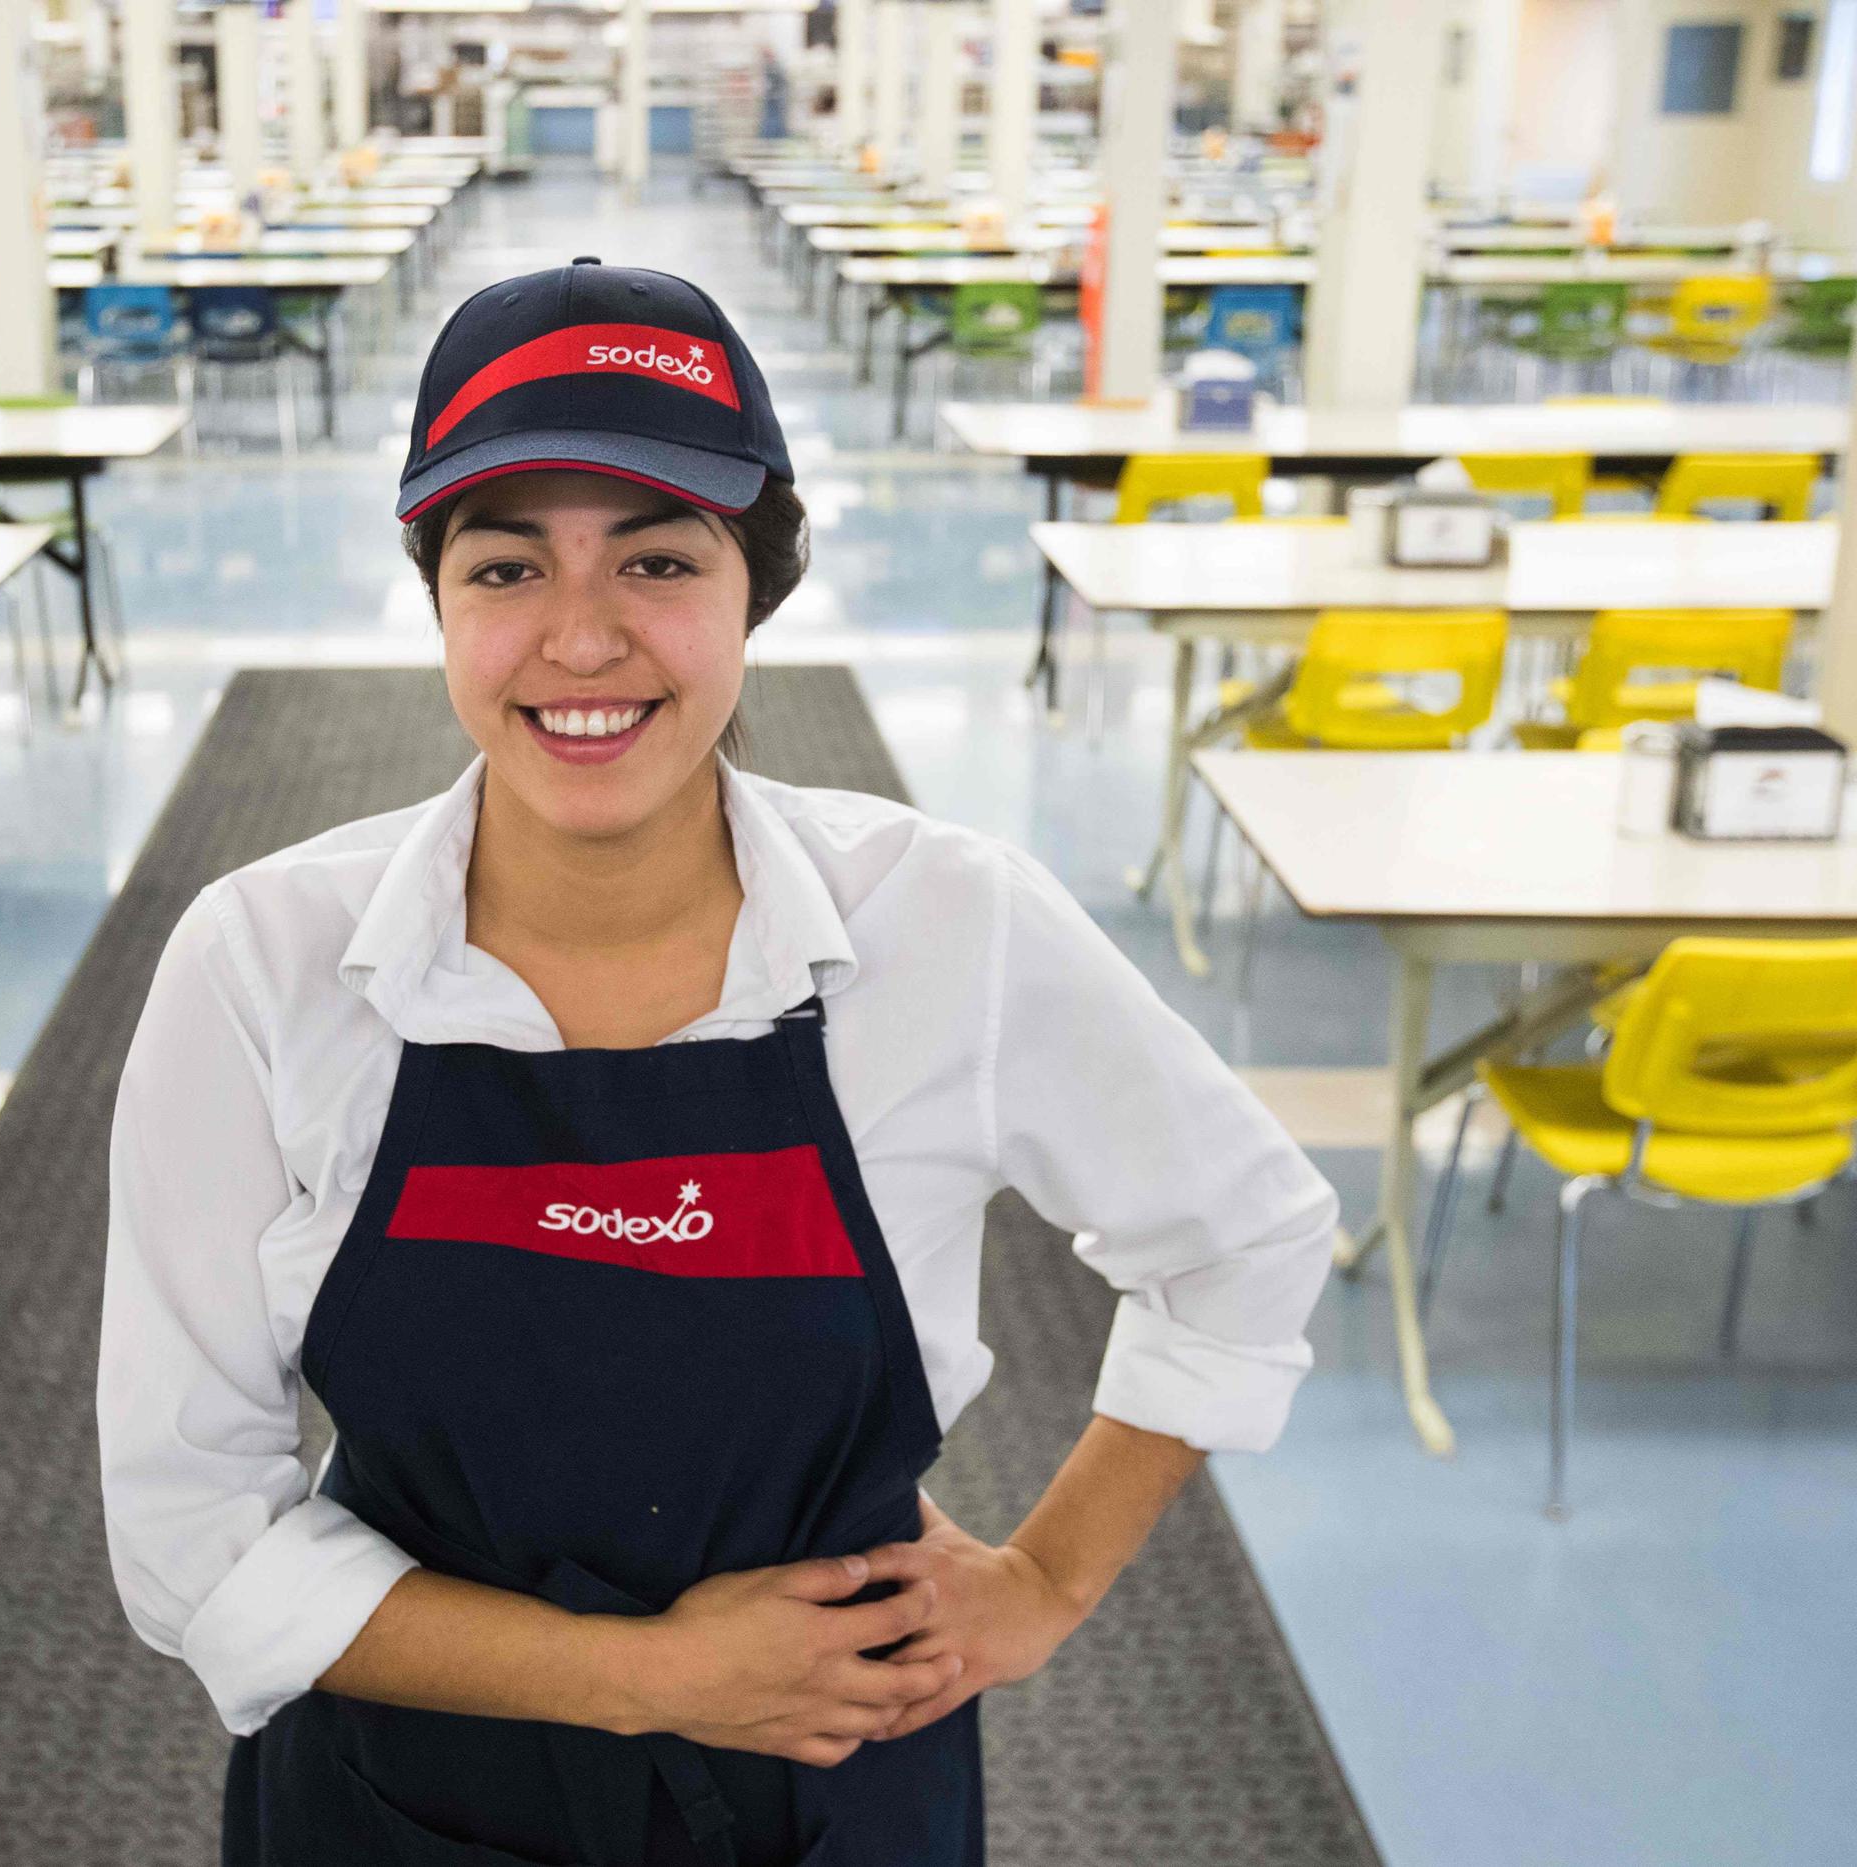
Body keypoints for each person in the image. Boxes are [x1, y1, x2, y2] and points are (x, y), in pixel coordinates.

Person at [99, 257, 1340, 1864]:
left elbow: (1245, 1237)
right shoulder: (268, 965)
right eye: (504, 569)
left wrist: (1044, 1583)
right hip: (411, 1785)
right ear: (436, 599)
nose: (583, 638)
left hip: (837, 1779)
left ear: (760, 585)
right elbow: (189, 1540)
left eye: (660, 560)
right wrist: (654, 1678)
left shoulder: (945, 931)